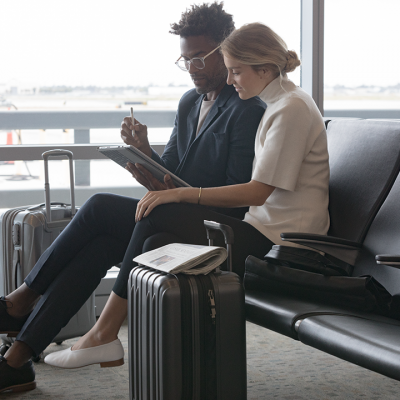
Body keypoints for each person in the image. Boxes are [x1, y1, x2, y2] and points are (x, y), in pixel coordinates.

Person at [0, 3, 266, 394]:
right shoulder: (190, 103)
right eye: (185, 58)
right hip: (176, 213)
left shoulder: (246, 108)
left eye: (199, 58)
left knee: (99, 207)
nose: (191, 67)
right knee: (101, 244)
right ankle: (17, 359)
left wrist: (170, 189)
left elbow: (236, 197)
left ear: (226, 51)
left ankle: (19, 302)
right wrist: (144, 155)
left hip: (214, 227)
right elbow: (173, 172)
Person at [43, 20, 329, 369]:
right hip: (263, 232)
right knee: (155, 239)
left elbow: (257, 192)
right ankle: (150, 358)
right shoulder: (279, 104)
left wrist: (179, 195)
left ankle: (104, 333)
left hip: (281, 245)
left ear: (265, 68)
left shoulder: (290, 109)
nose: (229, 80)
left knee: (160, 213)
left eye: (236, 71)